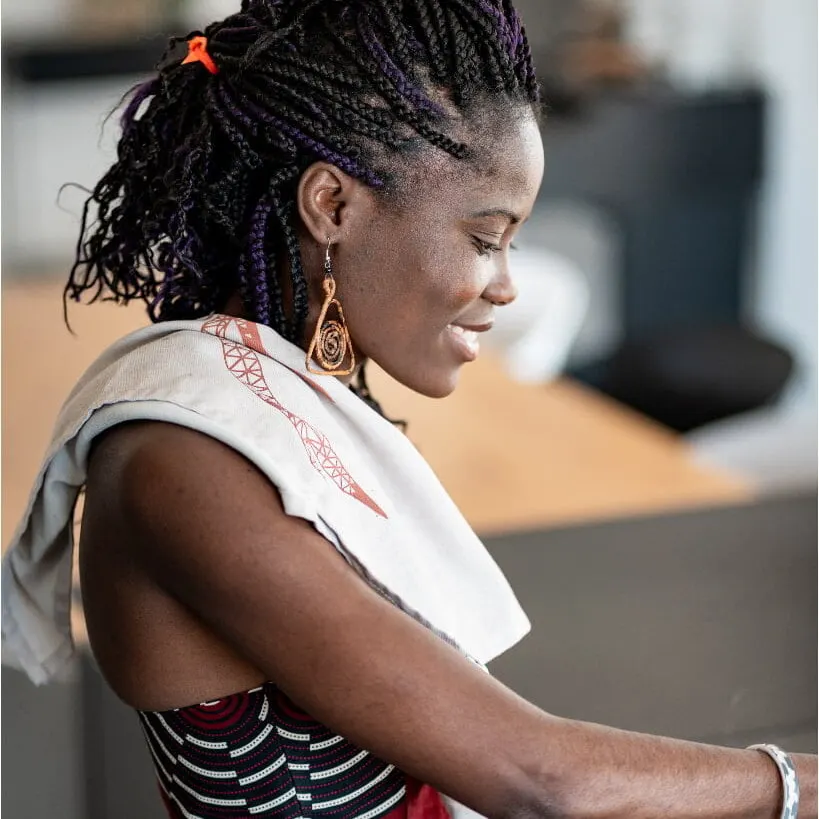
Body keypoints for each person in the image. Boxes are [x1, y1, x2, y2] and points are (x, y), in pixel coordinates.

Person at [2, 2, 815, 817]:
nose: (505, 285)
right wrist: (796, 783)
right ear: (331, 204)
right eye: (483, 237)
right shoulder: (181, 461)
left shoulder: (268, 394)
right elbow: (541, 781)